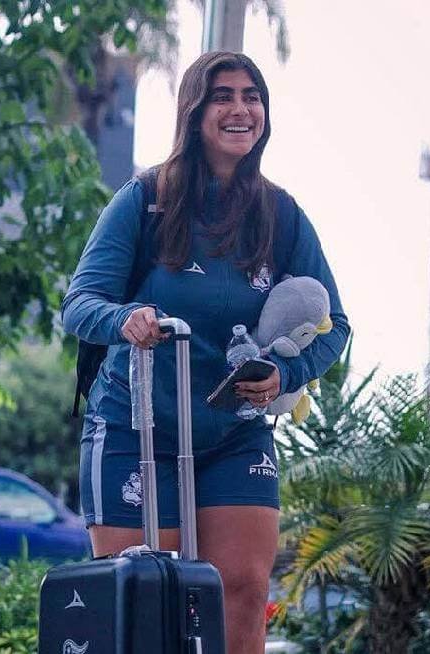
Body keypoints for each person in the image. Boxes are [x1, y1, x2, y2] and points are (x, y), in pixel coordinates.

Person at [62, 51, 349, 653]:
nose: (240, 108)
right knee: (144, 599)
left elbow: (335, 326)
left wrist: (285, 373)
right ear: (194, 112)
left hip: (233, 434)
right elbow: (79, 304)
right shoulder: (144, 199)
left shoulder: (282, 214)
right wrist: (127, 319)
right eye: (223, 96)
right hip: (134, 429)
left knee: (241, 587)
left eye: (252, 95)